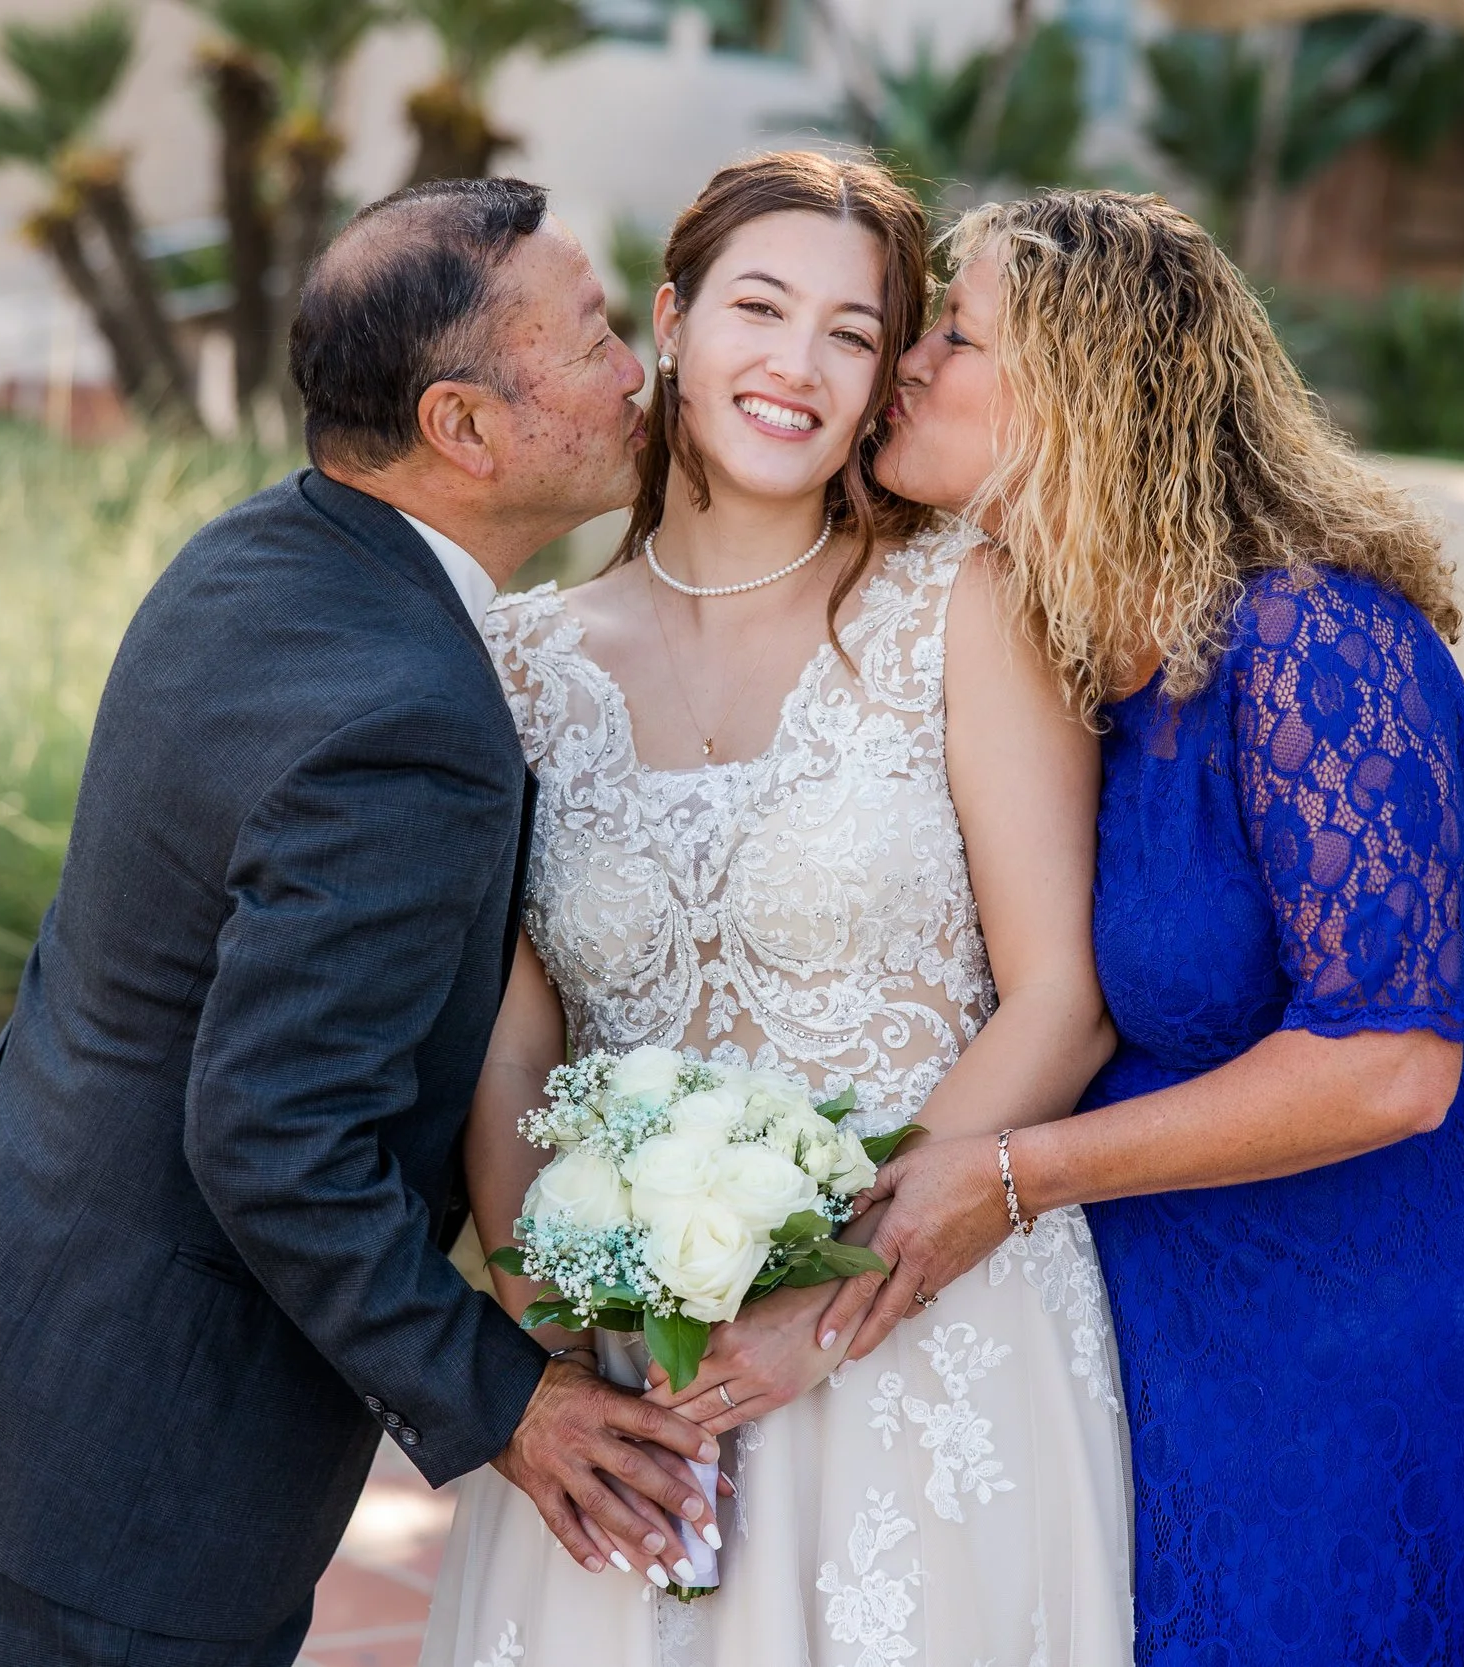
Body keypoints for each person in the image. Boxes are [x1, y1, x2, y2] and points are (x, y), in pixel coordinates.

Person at [0, 178, 724, 1667]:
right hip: (155, 1466)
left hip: (30, 1346)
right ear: (463, 426)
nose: (636, 370)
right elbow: (274, 1133)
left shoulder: (254, 556)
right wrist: (508, 1400)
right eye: (598, 334)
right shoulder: (410, 718)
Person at [845, 189, 1464, 1664]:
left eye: (955, 336)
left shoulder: (1311, 640)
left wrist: (1018, 1175)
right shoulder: (1090, 662)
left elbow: (1392, 1061)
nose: (907, 361)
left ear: (1086, 394)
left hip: (1412, 1337)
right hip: (1220, 1346)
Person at [419, 152, 1134, 1667]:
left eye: (854, 332)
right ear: (672, 320)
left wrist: (836, 1303)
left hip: (924, 1339)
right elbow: (509, 1038)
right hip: (641, 1379)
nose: (795, 366)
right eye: (759, 306)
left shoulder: (964, 603)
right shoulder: (523, 663)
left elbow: (1061, 997)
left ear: (884, 378)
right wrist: (557, 1331)